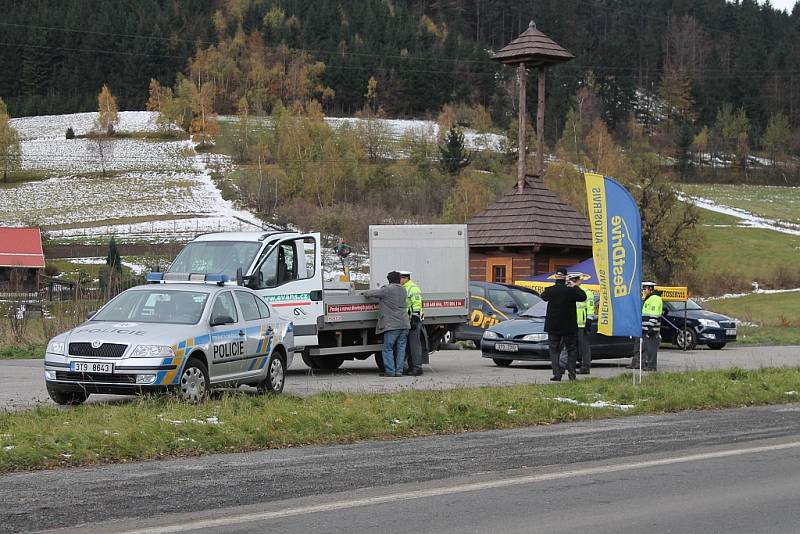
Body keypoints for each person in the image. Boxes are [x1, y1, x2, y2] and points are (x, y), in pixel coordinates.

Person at [540, 267, 587, 381]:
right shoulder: (571, 290)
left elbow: (543, 296)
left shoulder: (550, 290)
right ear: (566, 277)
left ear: (556, 276)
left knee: (554, 350)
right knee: (571, 350)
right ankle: (572, 374)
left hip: (553, 326)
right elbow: (583, 297)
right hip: (568, 326)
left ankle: (557, 374)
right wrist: (574, 286)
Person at [364, 271, 411, 377]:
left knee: (388, 348)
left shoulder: (387, 290)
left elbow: (371, 293)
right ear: (399, 279)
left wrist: (364, 293)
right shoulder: (403, 289)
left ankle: (390, 371)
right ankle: (399, 371)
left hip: (392, 325)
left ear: (389, 280)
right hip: (404, 323)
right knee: (401, 348)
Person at [627, 281, 664, 371]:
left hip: (651, 330)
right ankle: (648, 365)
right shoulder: (649, 298)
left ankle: (651, 367)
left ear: (650, 289)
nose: (644, 291)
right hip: (646, 329)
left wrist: (649, 328)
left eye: (645, 289)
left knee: (651, 350)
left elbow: (654, 315)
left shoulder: (655, 299)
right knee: (646, 348)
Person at [399, 270, 424, 376]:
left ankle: (417, 368)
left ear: (405, 278)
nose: (399, 280)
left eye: (400, 278)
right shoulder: (404, 287)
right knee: (407, 346)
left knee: (414, 346)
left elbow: (417, 303)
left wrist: (415, 318)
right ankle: (409, 367)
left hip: (413, 321)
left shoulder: (413, 288)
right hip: (407, 320)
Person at [568, 272, 595, 375]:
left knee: (584, 346)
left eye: (576, 280)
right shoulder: (568, 291)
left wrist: (589, 320)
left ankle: (585, 367)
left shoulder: (586, 292)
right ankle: (570, 366)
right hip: (570, 323)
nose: (576, 282)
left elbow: (591, 308)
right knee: (570, 346)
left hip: (582, 324)